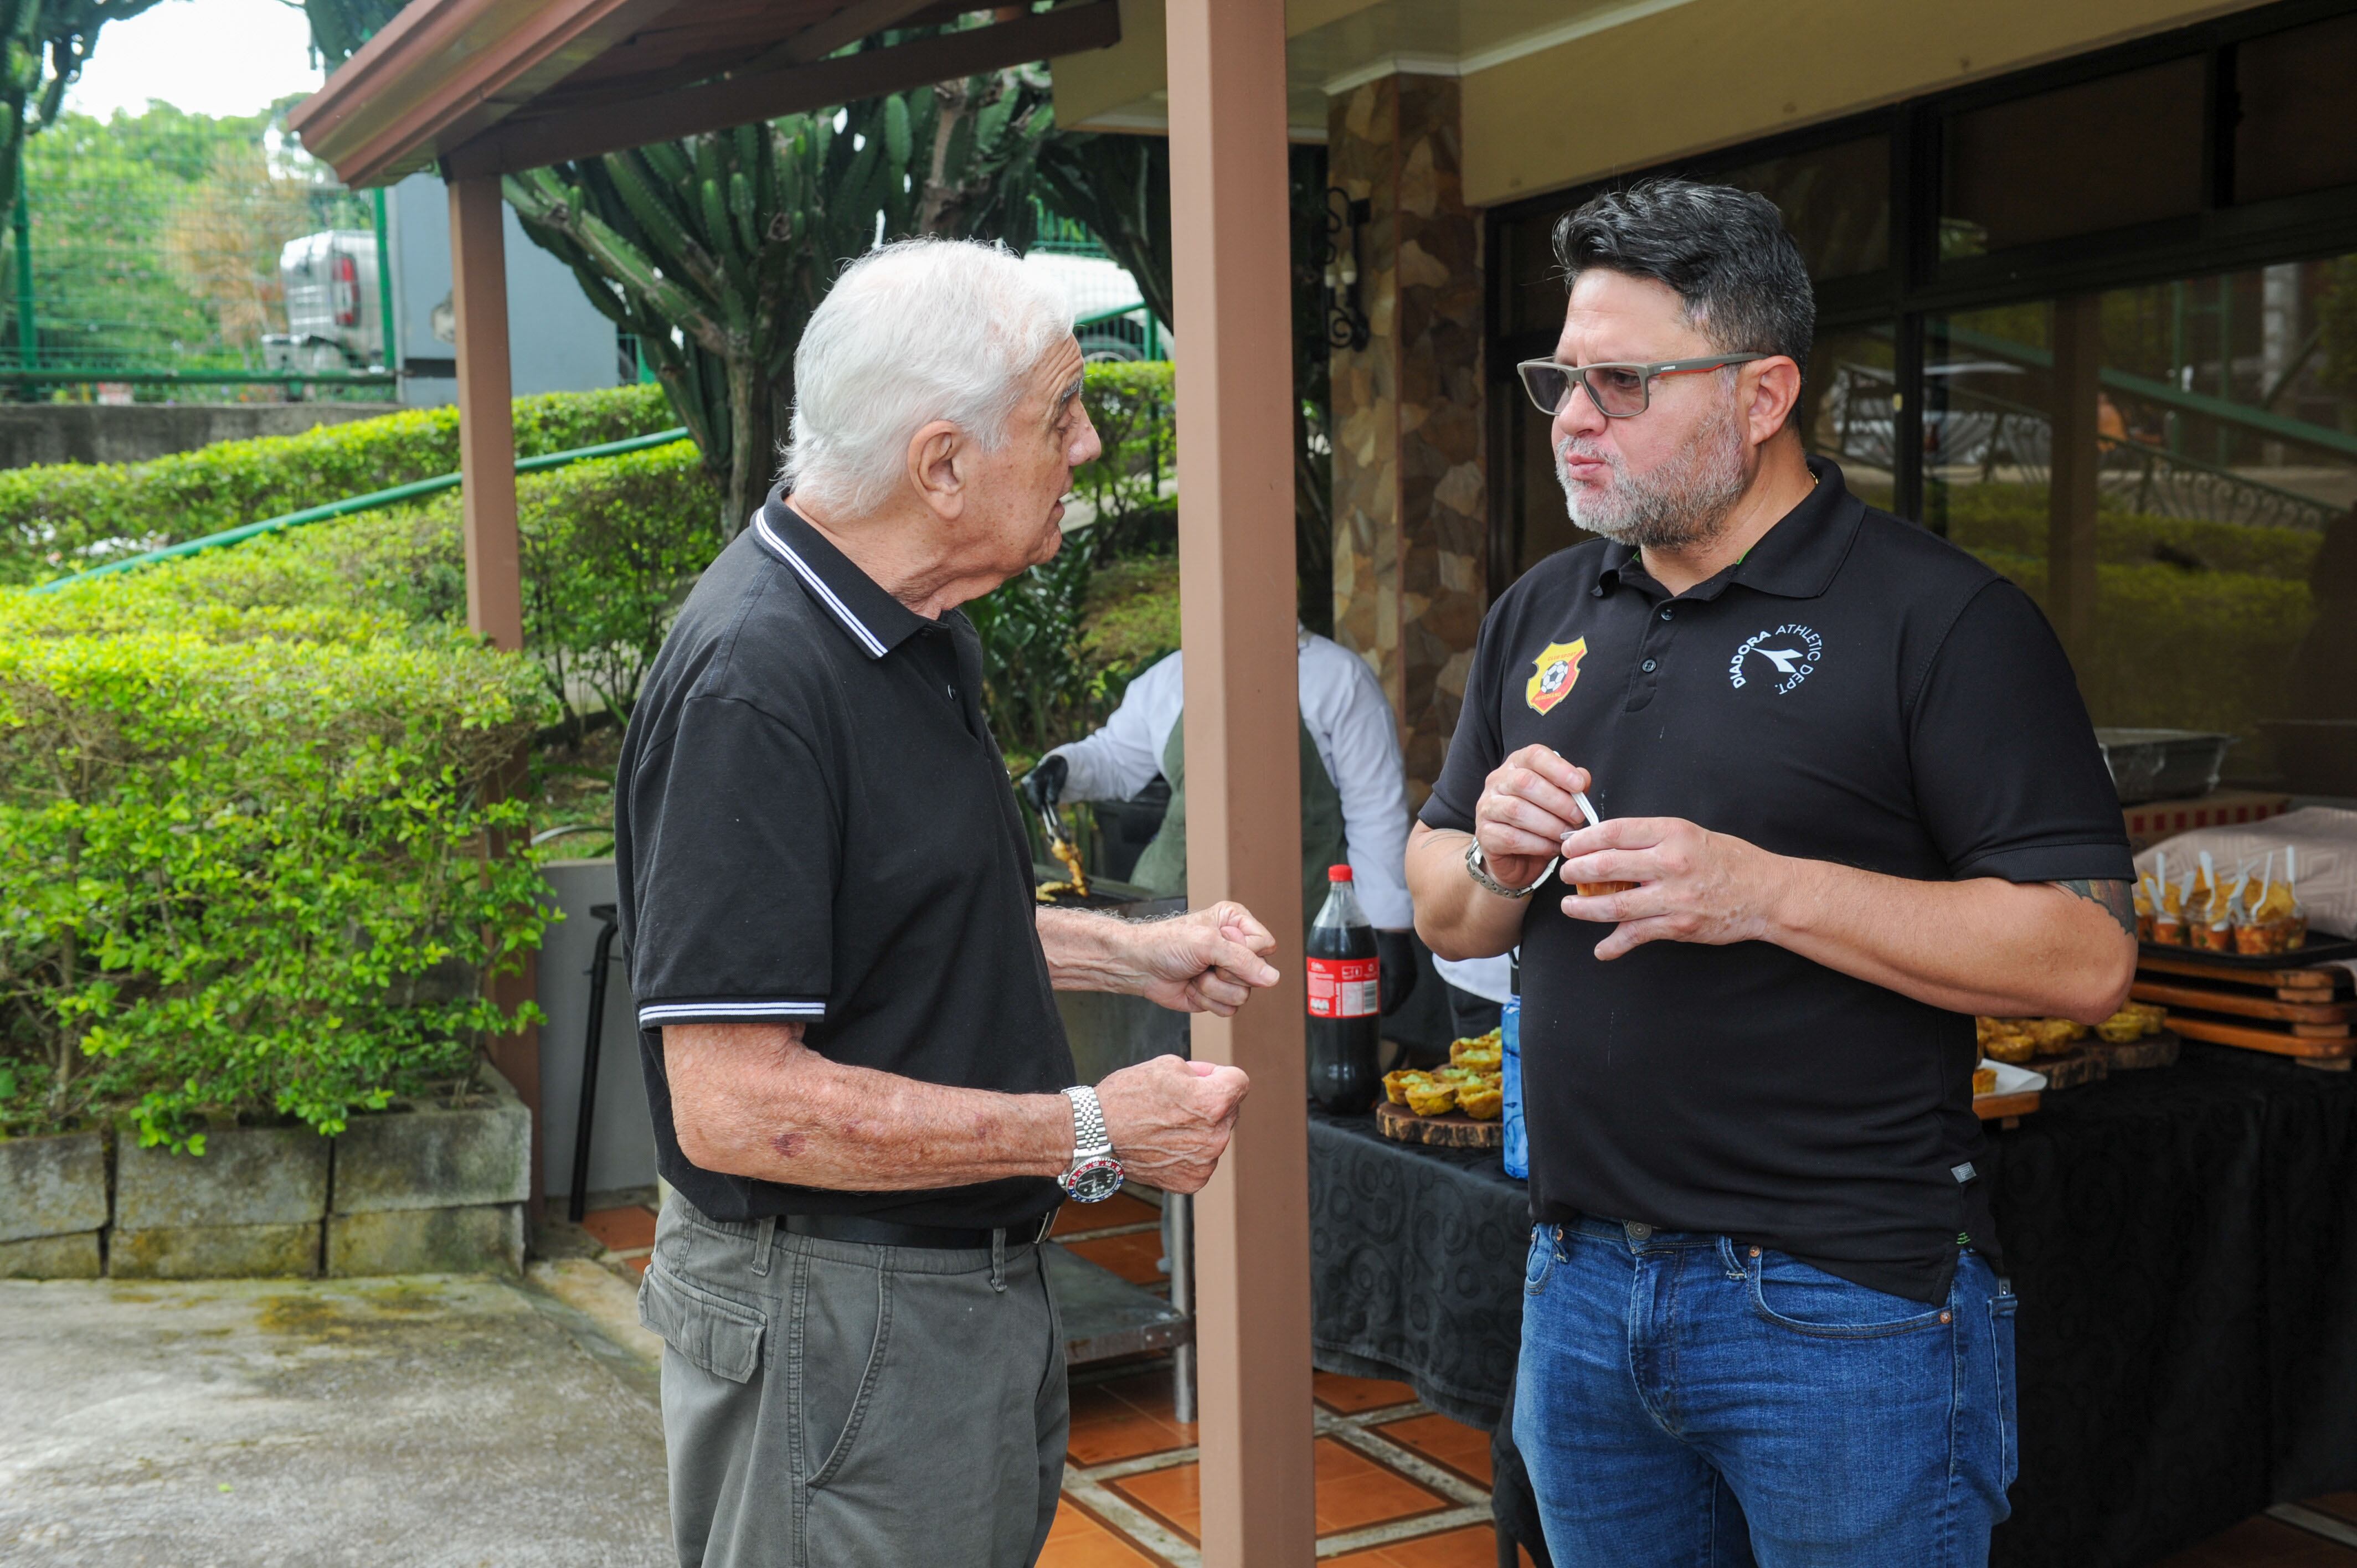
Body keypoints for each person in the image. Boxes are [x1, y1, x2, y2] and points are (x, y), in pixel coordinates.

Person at [1406, 179, 2137, 1567]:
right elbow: (1443, 890)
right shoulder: (1544, 611)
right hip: (1578, 1285)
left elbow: (2088, 955)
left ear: (1762, 394)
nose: (1572, 415)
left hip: (1843, 1309)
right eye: (1561, 376)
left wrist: (1761, 891)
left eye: (1621, 381)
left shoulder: (1945, 620)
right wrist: (1492, 853)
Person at [613, 238, 1282, 1568]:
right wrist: (1094, 1126)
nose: (1087, 445)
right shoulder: (761, 681)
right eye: (1060, 414)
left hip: (940, 1296)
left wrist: (1133, 953)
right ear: (941, 465)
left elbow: (897, 923)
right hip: (838, 1312)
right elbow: (735, 1099)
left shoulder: (906, 624)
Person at [1022, 627, 1419, 1008]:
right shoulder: (1171, 677)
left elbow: (1376, 812)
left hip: (1299, 915)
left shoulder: (1338, 678)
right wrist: (1065, 766)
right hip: (1168, 908)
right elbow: (1116, 757)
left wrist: (1385, 928)